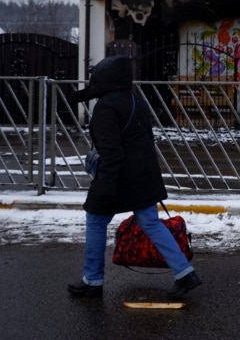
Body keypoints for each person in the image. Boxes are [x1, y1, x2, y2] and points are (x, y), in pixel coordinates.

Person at [67, 55, 202, 300]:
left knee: (96, 220)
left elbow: (111, 151)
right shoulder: (135, 100)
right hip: (143, 175)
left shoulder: (106, 107)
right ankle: (185, 273)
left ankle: (93, 281)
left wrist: (105, 187)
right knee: (150, 222)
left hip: (118, 176)